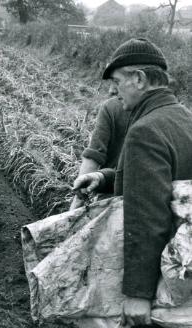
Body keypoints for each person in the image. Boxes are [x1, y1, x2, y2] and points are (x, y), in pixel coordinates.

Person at [72, 38, 192, 327]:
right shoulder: (184, 118)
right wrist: (103, 178)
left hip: (157, 277)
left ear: (139, 79)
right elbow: (165, 181)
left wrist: (137, 293)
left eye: (116, 81)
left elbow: (147, 216)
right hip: (182, 270)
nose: (112, 90)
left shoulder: (144, 130)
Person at [70, 97, 129, 210]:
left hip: (110, 199)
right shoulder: (168, 113)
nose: (112, 90)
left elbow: (95, 154)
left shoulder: (113, 107)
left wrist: (79, 199)